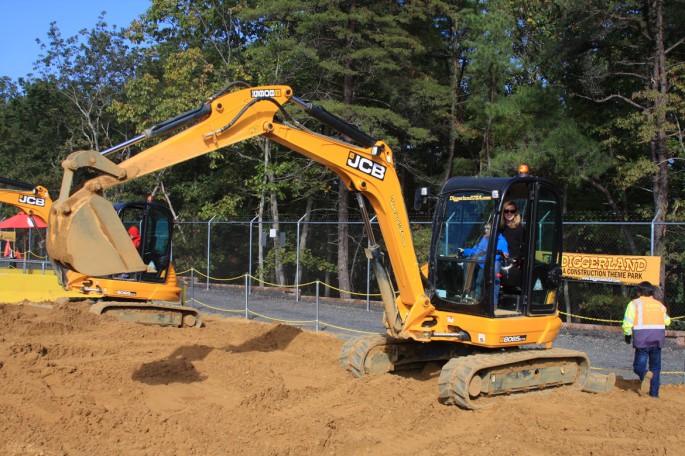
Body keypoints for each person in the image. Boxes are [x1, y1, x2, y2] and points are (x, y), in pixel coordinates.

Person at [622, 281, 671, 398]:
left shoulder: (634, 304)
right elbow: (668, 321)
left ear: (639, 292)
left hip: (642, 340)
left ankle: (644, 375)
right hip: (657, 340)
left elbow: (628, 321)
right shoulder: (659, 305)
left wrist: (627, 334)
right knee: (655, 368)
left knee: (638, 366)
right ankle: (654, 394)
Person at [458, 224, 509, 305]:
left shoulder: (501, 241)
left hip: (490, 263)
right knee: (468, 261)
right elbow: (477, 251)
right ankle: (469, 291)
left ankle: (483, 300)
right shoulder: (484, 239)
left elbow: (504, 255)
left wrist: (504, 254)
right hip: (481, 262)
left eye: (488, 229)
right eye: (485, 229)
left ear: (494, 229)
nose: (485, 231)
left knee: (480, 279)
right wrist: (464, 251)